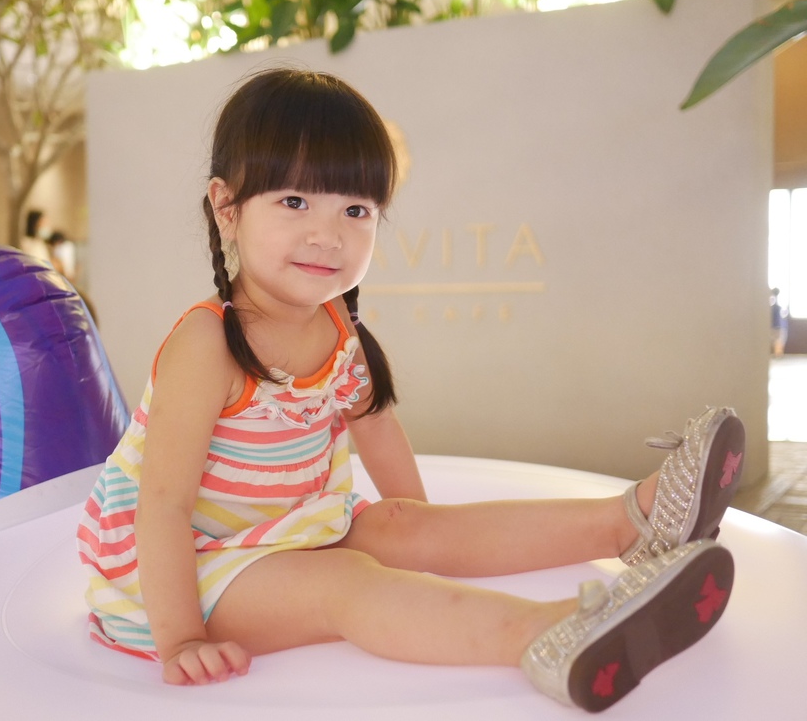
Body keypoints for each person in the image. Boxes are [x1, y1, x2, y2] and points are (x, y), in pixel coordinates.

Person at [76, 68, 746, 712]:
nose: (327, 235)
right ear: (227, 207)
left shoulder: (338, 326)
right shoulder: (209, 343)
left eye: (356, 210)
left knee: (402, 525)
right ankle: (548, 635)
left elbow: (377, 429)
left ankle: (633, 521)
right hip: (179, 576)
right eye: (294, 201)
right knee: (345, 585)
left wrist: (419, 537)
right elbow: (162, 505)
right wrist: (181, 638)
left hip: (292, 531)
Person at [770, 287, 788, 357]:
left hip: (777, 326)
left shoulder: (779, 306)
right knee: (777, 340)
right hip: (776, 326)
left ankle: (778, 353)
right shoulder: (774, 306)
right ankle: (777, 353)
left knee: (778, 340)